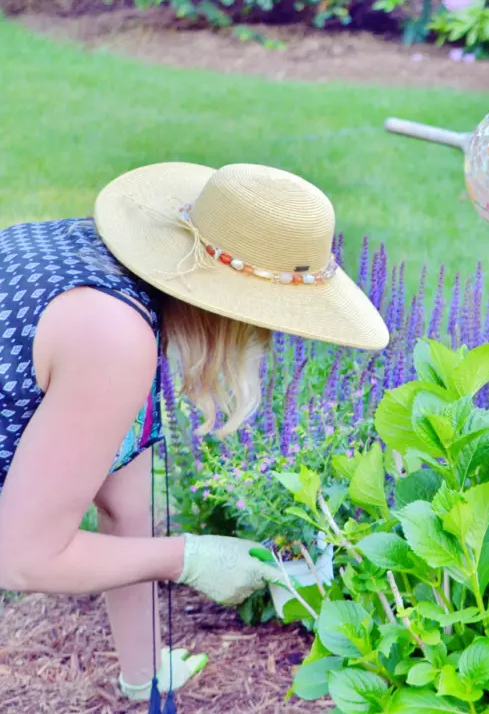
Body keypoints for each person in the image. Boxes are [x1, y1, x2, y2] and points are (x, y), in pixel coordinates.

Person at [0, 162, 390, 701]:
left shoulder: (108, 271)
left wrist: (145, 677)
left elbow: (124, 504)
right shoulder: (114, 338)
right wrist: (191, 557)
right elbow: (21, 556)